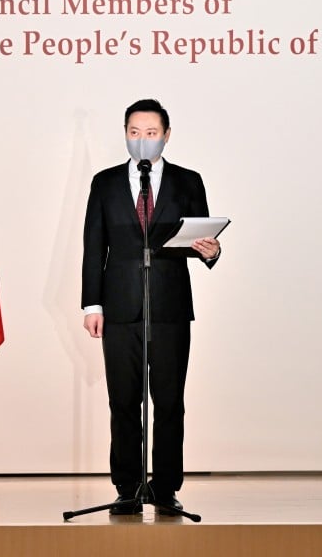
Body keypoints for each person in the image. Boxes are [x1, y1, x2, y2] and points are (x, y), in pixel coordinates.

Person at [81, 98, 221, 515]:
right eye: (134, 133)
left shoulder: (187, 181)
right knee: (123, 399)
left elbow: (201, 239)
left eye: (151, 133)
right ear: (125, 133)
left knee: (169, 400)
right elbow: (93, 247)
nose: (142, 141)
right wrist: (92, 304)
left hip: (170, 304)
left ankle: (165, 489)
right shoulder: (105, 183)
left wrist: (211, 251)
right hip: (119, 305)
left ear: (167, 135)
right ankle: (127, 486)